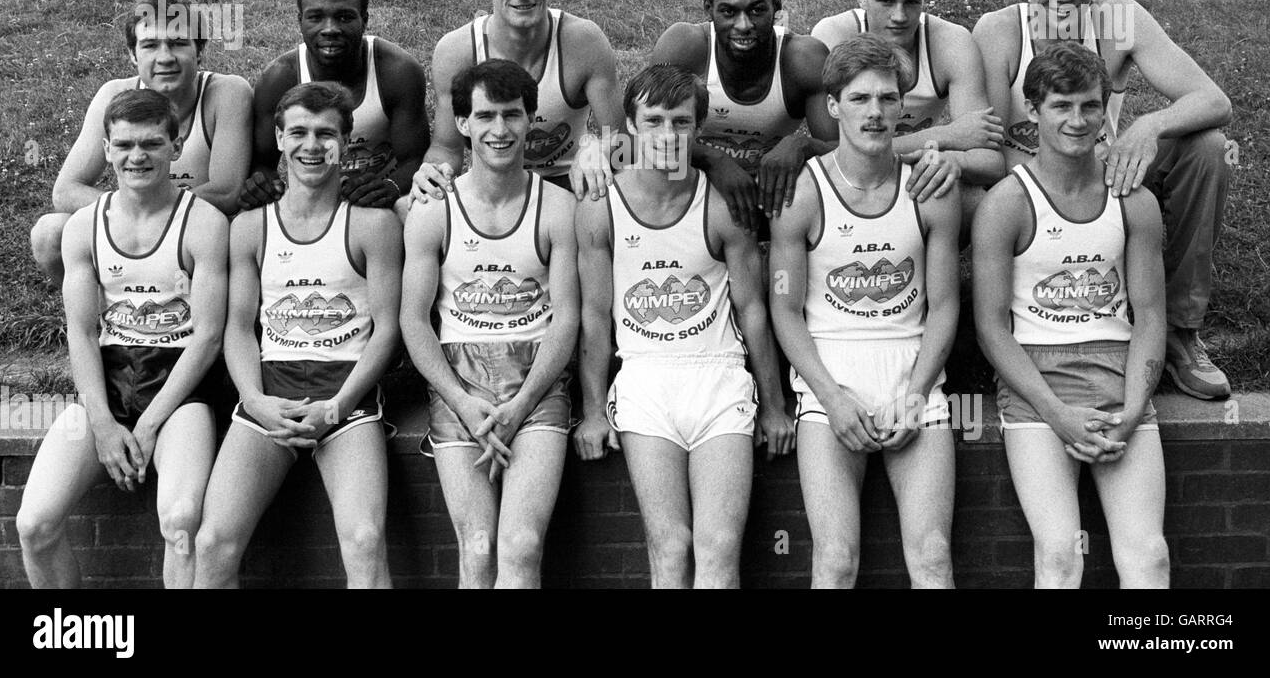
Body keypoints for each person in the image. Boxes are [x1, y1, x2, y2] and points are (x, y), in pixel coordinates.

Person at [973, 0, 1233, 400]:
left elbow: (1214, 101)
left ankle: (1180, 331)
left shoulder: (1120, 19)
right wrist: (1057, 184)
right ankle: (1009, 329)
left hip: (1108, 167)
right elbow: (989, 144)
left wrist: (1147, 126)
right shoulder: (998, 31)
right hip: (1025, 176)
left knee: (1208, 149)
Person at [573, 64, 795, 589]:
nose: (667, 135)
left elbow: (755, 312)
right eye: (653, 121)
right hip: (645, 380)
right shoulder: (601, 207)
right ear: (628, 126)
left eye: (680, 122)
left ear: (699, 129)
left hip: (718, 378)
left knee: (718, 548)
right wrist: (590, 411)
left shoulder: (722, 205)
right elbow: (593, 317)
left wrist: (775, 404)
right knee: (669, 548)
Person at [972, 44, 1169, 588]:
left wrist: (1133, 408)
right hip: (1037, 381)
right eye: (1062, 106)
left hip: (1119, 375)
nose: (1077, 120)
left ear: (1106, 109)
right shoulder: (1006, 204)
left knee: (1149, 555)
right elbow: (991, 326)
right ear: (1033, 111)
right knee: (1059, 555)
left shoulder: (1132, 199)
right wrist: (1055, 411)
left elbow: (1151, 314)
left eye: (1089, 106)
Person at [768, 35, 960, 589]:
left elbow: (945, 305)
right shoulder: (803, 193)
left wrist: (919, 391)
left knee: (931, 555)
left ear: (903, 106)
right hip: (828, 385)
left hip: (914, 378)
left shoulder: (930, 188)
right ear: (833, 106)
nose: (874, 112)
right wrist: (829, 395)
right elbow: (784, 309)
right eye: (859, 99)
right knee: (835, 559)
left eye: (887, 98)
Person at [17, 89, 229, 588]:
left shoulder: (204, 224)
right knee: (34, 525)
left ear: (175, 147)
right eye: (126, 145)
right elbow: (84, 334)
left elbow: (208, 337)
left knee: (180, 523)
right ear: (107, 149)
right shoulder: (82, 228)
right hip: (107, 380)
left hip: (179, 388)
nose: (138, 156)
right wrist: (105, 426)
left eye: (152, 143)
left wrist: (150, 424)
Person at [195, 82, 401, 589]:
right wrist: (255, 400)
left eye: (326, 134)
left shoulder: (373, 225)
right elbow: (239, 328)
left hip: (346, 398)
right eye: (300, 133)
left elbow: (387, 330)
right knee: (211, 542)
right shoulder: (249, 227)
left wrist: (339, 404)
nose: (312, 146)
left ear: (347, 142)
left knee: (364, 540)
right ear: (280, 139)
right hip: (271, 395)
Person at [401, 59, 579, 588]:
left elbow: (567, 317)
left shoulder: (558, 208)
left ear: (530, 121)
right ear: (462, 124)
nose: (499, 130)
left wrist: (520, 403)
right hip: (459, 378)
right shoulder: (433, 213)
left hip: (537, 378)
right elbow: (413, 320)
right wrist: (460, 399)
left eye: (512, 116)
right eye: (485, 117)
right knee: (477, 550)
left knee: (521, 547)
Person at [31, 0, 252, 284]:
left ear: (200, 51)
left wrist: (148, 213)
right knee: (49, 233)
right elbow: (65, 191)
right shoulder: (114, 95)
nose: (165, 57)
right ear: (133, 55)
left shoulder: (227, 93)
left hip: (200, 232)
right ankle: (104, 321)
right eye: (150, 45)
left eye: (178, 43)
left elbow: (226, 192)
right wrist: (134, 216)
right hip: (132, 225)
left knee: (243, 232)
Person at [408, 0, 622, 210]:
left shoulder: (583, 41)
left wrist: (599, 149)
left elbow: (623, 138)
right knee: (415, 208)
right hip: (495, 187)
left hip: (572, 183)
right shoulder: (457, 51)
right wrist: (432, 171)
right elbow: (448, 147)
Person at [813, 0, 1004, 229]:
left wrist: (954, 161)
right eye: (886, 2)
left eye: (911, 3)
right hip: (853, 178)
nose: (900, 16)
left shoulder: (951, 42)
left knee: (976, 201)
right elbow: (829, 152)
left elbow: (991, 162)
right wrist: (946, 135)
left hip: (917, 171)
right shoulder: (834, 35)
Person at [651, 0, 839, 236]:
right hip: (691, 178)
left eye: (756, 10)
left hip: (772, 190)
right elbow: (645, 137)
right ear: (708, 8)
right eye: (728, 11)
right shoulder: (685, 46)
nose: (744, 25)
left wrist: (802, 146)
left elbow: (840, 157)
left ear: (776, 6)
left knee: (818, 186)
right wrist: (712, 159)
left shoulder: (804, 59)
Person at [240, 0, 429, 212]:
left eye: (344, 16)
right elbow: (262, 163)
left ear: (365, 19)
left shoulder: (397, 71)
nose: (330, 29)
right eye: (316, 17)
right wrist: (263, 186)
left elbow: (416, 158)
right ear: (300, 21)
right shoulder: (279, 79)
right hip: (313, 201)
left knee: (422, 209)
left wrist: (391, 187)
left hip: (382, 201)